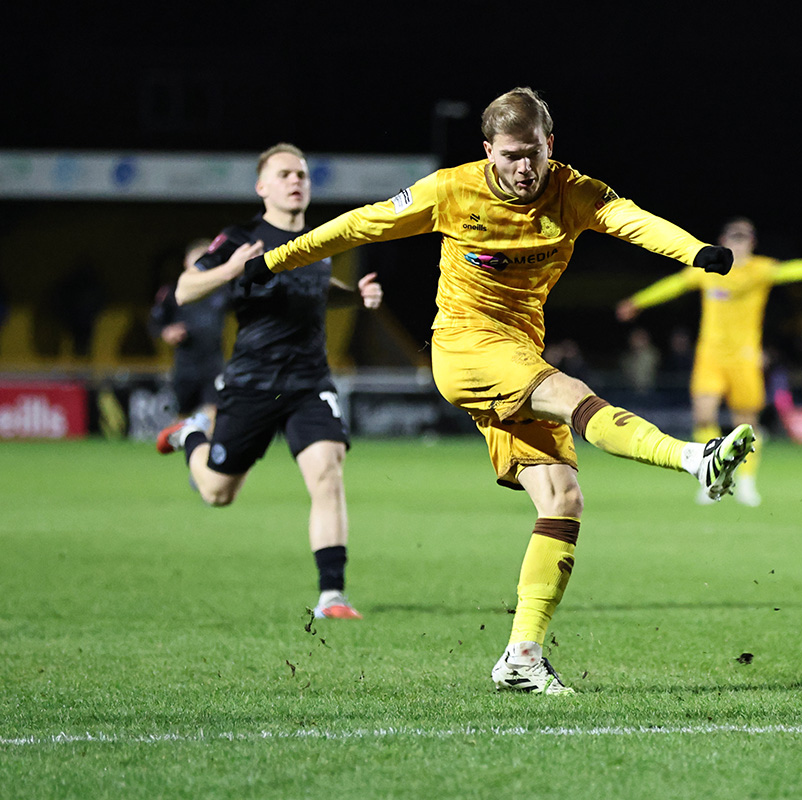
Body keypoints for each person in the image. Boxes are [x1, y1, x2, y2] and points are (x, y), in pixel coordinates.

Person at [239, 88, 756, 695]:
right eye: (511, 155)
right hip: (464, 346)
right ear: (489, 151)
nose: (524, 167)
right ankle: (693, 458)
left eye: (533, 152)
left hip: (518, 353)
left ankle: (521, 656)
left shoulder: (573, 191)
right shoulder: (451, 190)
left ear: (550, 144)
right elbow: (363, 224)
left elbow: (632, 220)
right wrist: (275, 260)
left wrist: (696, 251)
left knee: (562, 498)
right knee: (570, 393)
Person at [155, 143, 384, 621]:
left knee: (327, 472)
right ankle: (191, 433)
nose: (295, 180)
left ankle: (332, 596)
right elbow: (184, 289)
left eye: (301, 174)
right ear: (262, 187)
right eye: (284, 174)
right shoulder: (240, 237)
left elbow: (314, 287)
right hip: (252, 383)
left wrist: (354, 297)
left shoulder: (319, 240)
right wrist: (230, 268)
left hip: (309, 382)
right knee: (217, 493)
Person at [615, 217, 802, 506]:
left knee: (745, 424)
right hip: (710, 355)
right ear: (723, 241)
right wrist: (638, 302)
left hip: (745, 358)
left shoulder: (760, 269)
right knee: (703, 416)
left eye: (743, 237)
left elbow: (789, 270)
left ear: (752, 243)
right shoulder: (708, 269)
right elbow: (675, 284)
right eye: (734, 237)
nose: (738, 242)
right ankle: (709, 478)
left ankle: (746, 482)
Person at [148, 239, 229, 424]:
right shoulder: (172, 292)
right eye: (197, 260)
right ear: (186, 262)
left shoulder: (223, 290)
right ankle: (184, 437)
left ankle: (206, 441)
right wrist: (167, 332)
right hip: (185, 364)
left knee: (214, 410)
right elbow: (155, 323)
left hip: (213, 363)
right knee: (182, 413)